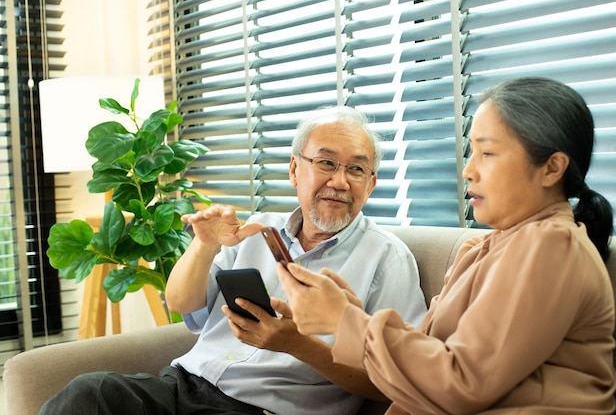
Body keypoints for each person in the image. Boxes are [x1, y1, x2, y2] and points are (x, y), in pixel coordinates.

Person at [38, 105, 428, 415]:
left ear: (371, 184)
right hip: (181, 385)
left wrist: (296, 344)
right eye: (326, 163)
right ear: (295, 169)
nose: (340, 181)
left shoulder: (387, 258)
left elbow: (392, 380)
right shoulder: (256, 228)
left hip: (263, 409)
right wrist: (204, 245)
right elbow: (180, 303)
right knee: (90, 393)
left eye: (357, 169)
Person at [277, 77, 616, 414]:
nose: (468, 170)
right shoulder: (485, 248)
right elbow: (433, 354)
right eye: (472, 151)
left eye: (488, 153)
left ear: (551, 168)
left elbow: (462, 384)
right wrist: (348, 313)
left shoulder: (551, 245)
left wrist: (344, 323)